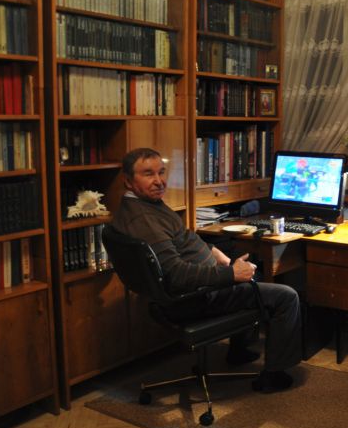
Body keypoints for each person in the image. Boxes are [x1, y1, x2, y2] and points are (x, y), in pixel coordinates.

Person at [112, 147, 302, 392]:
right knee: (286, 296)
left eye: (161, 172)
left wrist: (213, 252)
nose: (159, 181)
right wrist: (230, 274)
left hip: (189, 290)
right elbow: (177, 275)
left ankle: (238, 351)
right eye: (148, 174)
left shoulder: (143, 205)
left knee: (245, 267)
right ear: (128, 181)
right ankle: (274, 376)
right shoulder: (144, 220)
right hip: (192, 298)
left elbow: (182, 240)